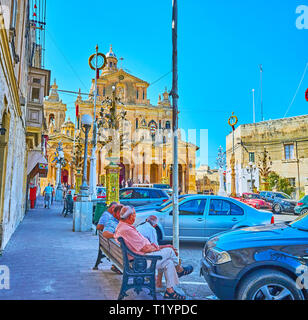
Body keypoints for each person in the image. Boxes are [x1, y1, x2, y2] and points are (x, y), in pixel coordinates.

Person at [115, 206, 194, 300]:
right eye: (134, 214)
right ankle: (179, 270)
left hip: (139, 259)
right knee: (170, 251)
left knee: (169, 262)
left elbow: (146, 246)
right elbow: (145, 248)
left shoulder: (123, 226)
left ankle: (170, 291)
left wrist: (161, 247)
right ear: (130, 216)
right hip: (141, 262)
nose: (135, 217)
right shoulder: (127, 230)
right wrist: (161, 247)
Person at [136, 216, 164, 289]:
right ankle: (158, 282)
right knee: (163, 257)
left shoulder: (139, 226)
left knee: (159, 255)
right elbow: (156, 247)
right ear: (155, 225)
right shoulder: (152, 229)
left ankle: (154, 278)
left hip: (136, 255)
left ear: (146, 220)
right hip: (142, 258)